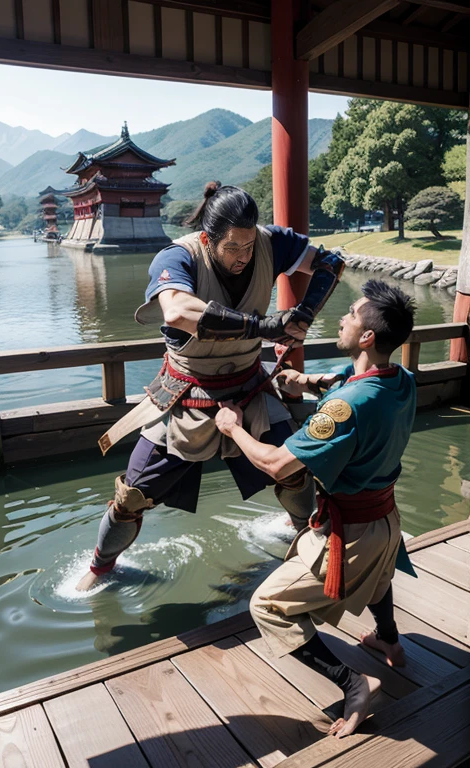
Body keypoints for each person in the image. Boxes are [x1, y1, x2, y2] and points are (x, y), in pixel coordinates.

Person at [76, 182, 345, 591]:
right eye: (233, 247)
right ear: (208, 238)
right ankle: (100, 568)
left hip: (251, 387)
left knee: (294, 470)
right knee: (130, 497)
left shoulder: (271, 243)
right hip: (188, 394)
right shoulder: (178, 256)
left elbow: (330, 262)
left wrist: (304, 315)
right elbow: (178, 310)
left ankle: (303, 534)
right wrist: (264, 325)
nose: (244, 257)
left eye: (249, 245)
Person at [215, 279, 416, 739]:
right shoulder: (401, 379)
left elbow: (275, 462)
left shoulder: (344, 408)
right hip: (386, 520)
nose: (343, 317)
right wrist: (303, 381)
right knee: (380, 574)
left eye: (351, 315)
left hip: (354, 534)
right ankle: (388, 639)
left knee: (268, 606)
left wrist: (233, 429)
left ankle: (354, 683)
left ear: (366, 337)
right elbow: (351, 384)